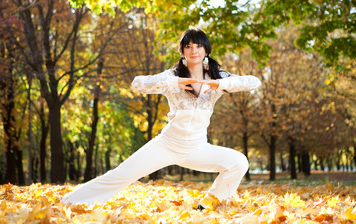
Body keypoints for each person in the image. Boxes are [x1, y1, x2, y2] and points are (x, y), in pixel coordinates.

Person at [61, 29, 261, 210]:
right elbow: (138, 83)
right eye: (188, 46)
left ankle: (208, 204)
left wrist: (219, 84)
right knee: (120, 174)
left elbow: (253, 82)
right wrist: (176, 82)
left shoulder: (217, 76)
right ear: (182, 51)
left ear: (206, 50)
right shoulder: (172, 75)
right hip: (167, 145)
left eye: (199, 46)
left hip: (198, 148)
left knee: (239, 162)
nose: (194, 50)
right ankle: (68, 202)